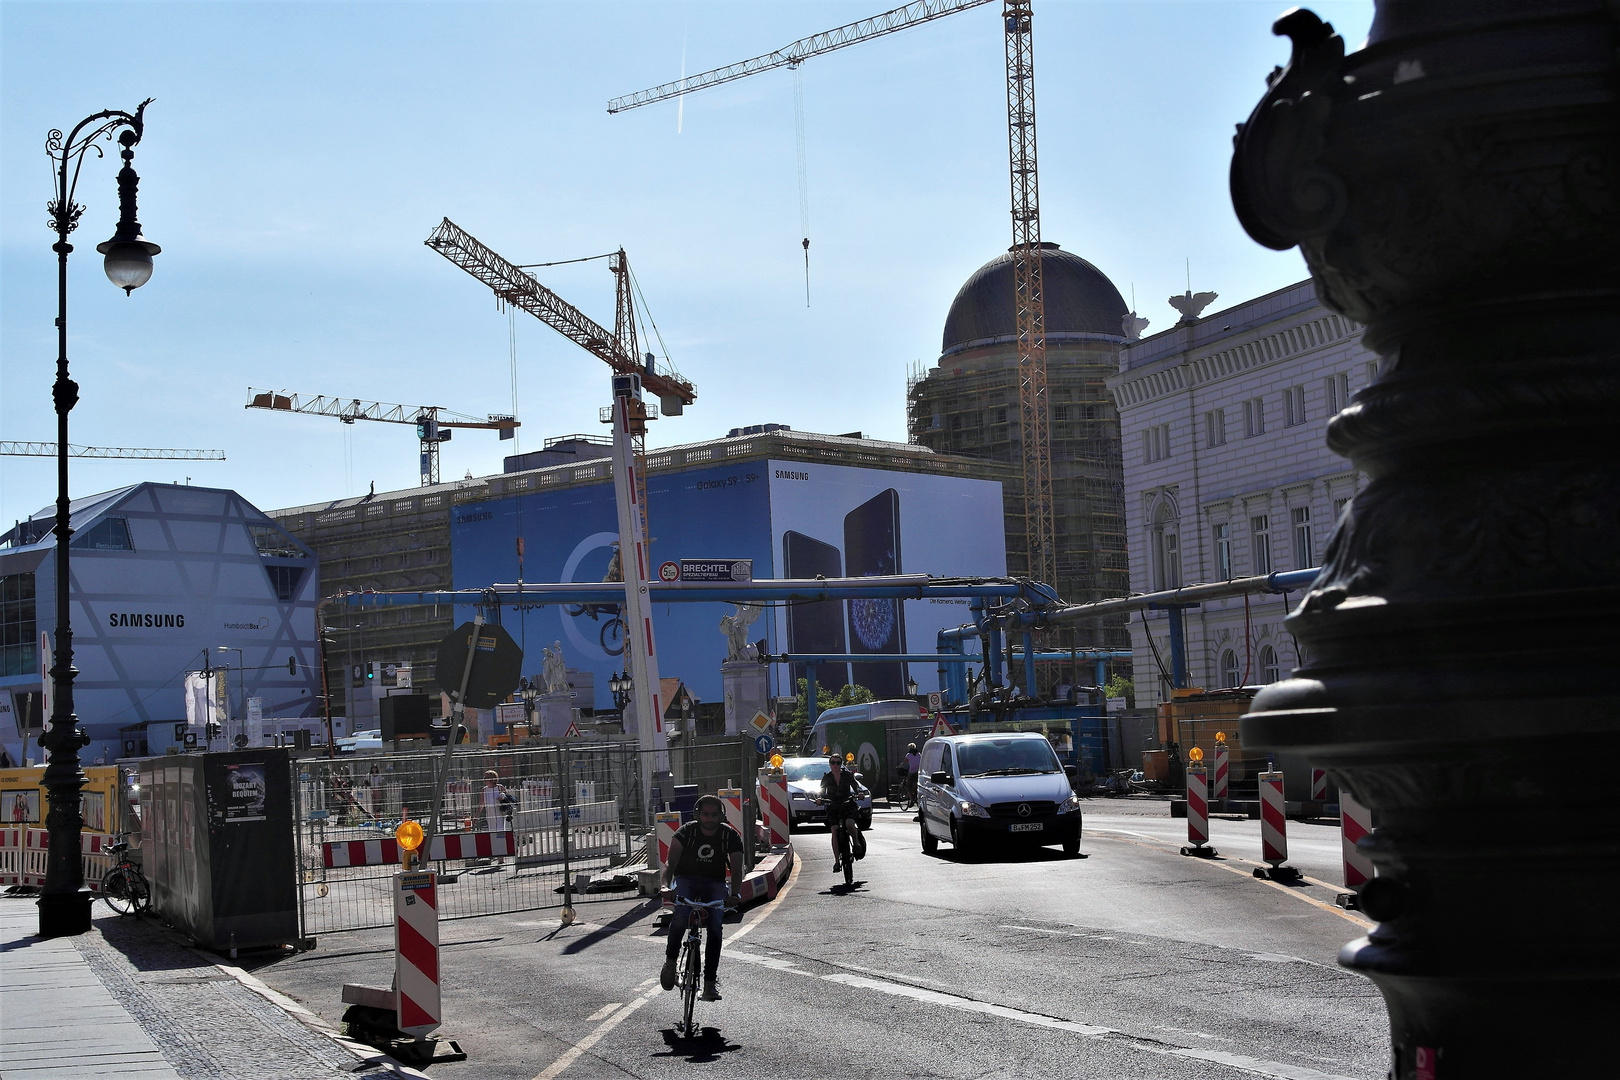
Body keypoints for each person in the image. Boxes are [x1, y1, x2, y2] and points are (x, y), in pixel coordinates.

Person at [660, 794, 744, 1003]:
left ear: (721, 816)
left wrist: (735, 894)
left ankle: (709, 984)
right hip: (686, 879)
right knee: (681, 916)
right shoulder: (686, 832)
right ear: (697, 814)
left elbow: (735, 870)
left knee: (716, 925)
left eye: (714, 815)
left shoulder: (730, 836)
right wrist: (664, 886)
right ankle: (671, 962)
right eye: (705, 814)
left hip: (714, 883)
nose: (710, 819)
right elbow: (670, 865)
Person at [819, 754, 868, 873]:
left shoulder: (847, 775)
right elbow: (821, 791)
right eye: (833, 763)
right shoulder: (827, 778)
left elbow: (856, 786)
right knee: (834, 831)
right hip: (833, 806)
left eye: (838, 763)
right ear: (830, 765)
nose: (835, 765)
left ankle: (856, 844)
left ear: (841, 764)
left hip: (847, 804)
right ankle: (836, 861)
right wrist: (819, 798)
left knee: (849, 823)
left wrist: (859, 793)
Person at [904, 742, 922, 814]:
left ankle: (912, 800)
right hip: (918, 772)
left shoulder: (908, 755)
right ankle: (917, 798)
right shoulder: (919, 754)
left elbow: (904, 763)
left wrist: (899, 767)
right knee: (916, 786)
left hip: (911, 772)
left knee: (908, 786)